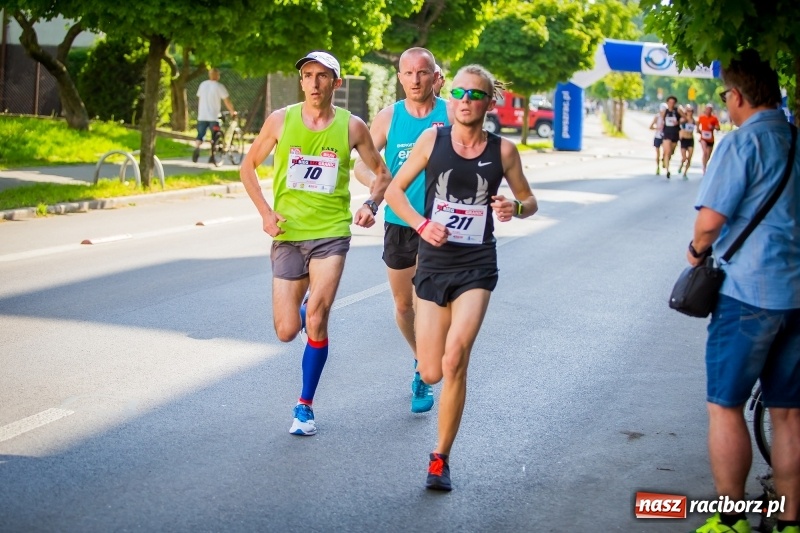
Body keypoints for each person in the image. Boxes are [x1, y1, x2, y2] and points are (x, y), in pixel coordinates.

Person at [384, 64, 538, 491]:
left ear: (490, 103)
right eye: (459, 92)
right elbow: (394, 190)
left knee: (455, 361)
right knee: (432, 370)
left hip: (476, 266)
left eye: (476, 94)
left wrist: (515, 208)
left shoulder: (504, 151)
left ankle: (440, 458)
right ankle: (427, 373)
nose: (466, 100)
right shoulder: (432, 139)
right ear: (449, 97)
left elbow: (529, 200)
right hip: (433, 263)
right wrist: (419, 224)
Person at [239, 50, 393, 436]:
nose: (313, 83)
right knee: (287, 330)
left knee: (318, 319)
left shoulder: (352, 126)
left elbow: (382, 173)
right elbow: (247, 167)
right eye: (308, 75)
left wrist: (372, 204)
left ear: (335, 84)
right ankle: (307, 306)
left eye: (322, 76)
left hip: (331, 234)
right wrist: (265, 213)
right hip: (289, 235)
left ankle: (304, 406)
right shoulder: (281, 120)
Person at [685, 49, 800, 533]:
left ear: (735, 96)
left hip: (747, 296)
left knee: (726, 406)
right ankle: (791, 520)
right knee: (790, 414)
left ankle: (729, 521)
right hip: (797, 296)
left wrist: (694, 252)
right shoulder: (796, 139)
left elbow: (709, 224)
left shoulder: (740, 144)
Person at [354, 47, 449, 414]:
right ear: (399, 77)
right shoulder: (388, 117)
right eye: (407, 73)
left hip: (440, 225)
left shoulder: (450, 114)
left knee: (429, 303)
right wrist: (377, 184)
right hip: (399, 223)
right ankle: (421, 360)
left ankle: (425, 375)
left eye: (422, 73)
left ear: (434, 75)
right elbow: (361, 166)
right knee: (403, 305)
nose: (414, 80)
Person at [193, 68, 236, 163]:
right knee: (215, 136)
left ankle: (197, 147)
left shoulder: (202, 85)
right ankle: (212, 156)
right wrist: (232, 111)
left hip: (202, 115)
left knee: (200, 135)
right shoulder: (219, 86)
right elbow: (227, 101)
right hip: (214, 116)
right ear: (217, 76)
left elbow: (199, 97)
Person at [660, 95, 682, 179]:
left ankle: (665, 159)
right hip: (666, 133)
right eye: (669, 102)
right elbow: (661, 120)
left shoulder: (678, 111)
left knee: (671, 152)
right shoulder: (664, 112)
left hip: (675, 134)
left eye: (673, 103)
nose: (671, 104)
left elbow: (685, 119)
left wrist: (679, 122)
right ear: (667, 103)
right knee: (668, 151)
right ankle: (668, 170)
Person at [698, 103, 721, 175]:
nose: (708, 111)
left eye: (710, 110)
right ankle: (704, 168)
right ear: (705, 110)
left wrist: (713, 127)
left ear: (711, 110)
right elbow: (697, 124)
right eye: (707, 109)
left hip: (710, 139)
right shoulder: (702, 117)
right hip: (703, 138)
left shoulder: (714, 118)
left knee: (708, 154)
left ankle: (705, 163)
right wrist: (698, 130)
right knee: (705, 152)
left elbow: (718, 128)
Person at [678, 104, 697, 179]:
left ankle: (685, 173)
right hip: (684, 140)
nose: (690, 112)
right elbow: (679, 108)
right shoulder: (683, 119)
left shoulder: (694, 120)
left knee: (689, 158)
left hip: (690, 139)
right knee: (684, 158)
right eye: (688, 111)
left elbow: (697, 129)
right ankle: (681, 165)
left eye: (691, 111)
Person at [650, 102, 667, 175]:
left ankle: (664, 160)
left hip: (665, 136)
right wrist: (657, 128)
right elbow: (650, 127)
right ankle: (658, 167)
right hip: (657, 136)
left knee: (665, 151)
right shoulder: (657, 117)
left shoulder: (667, 117)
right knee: (657, 152)